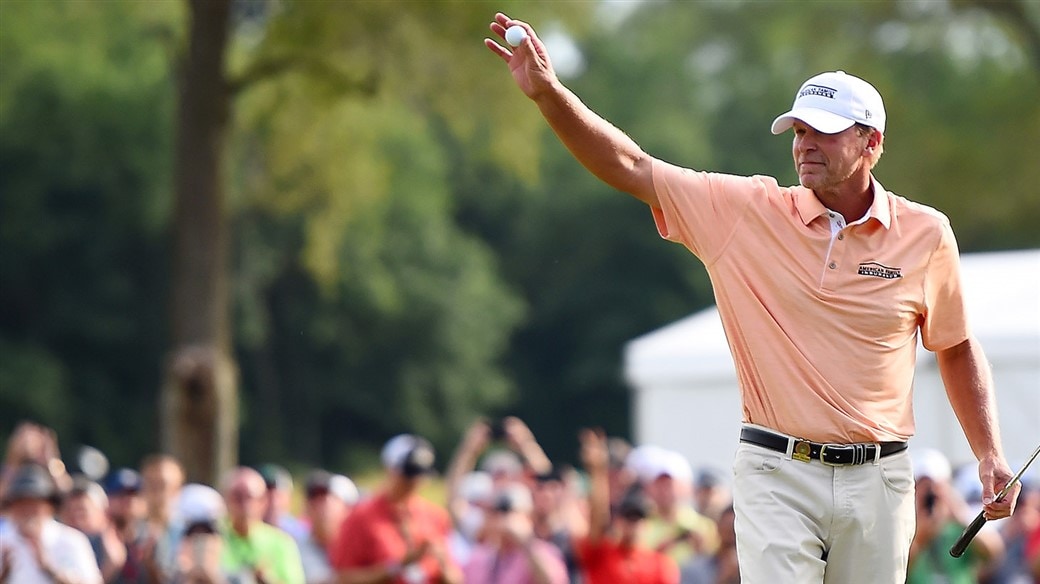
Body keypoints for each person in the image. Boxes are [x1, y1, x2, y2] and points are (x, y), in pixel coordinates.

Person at [485, 12, 1022, 583]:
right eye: (798, 131)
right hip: (776, 470)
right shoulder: (745, 212)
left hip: (880, 479)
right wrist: (549, 95)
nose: (805, 145)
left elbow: (956, 345)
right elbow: (631, 165)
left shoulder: (927, 233)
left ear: (871, 142)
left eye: (823, 131)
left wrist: (989, 452)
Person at [329, 433, 461, 584]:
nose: (414, 482)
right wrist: (397, 566)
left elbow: (456, 577)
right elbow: (342, 578)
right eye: (408, 475)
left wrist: (443, 565)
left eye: (420, 474)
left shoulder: (436, 517)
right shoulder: (361, 518)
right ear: (389, 469)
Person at [575, 429, 678, 584]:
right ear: (618, 521)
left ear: (647, 524)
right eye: (628, 518)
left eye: (637, 519)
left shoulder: (661, 564)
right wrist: (597, 472)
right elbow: (597, 516)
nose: (633, 525)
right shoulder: (602, 553)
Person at [906, 449, 1003, 584]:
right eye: (924, 485)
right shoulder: (906, 526)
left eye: (937, 486)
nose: (932, 493)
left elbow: (993, 552)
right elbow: (898, 566)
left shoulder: (959, 524)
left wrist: (959, 514)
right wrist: (921, 537)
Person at [0, 463, 104, 584]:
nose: (27, 511)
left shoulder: (71, 540)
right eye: (21, 505)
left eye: (33, 505)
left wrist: (50, 569)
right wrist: (4, 574)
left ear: (49, 507)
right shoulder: (3, 540)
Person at [461, 483, 570, 584]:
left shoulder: (544, 552)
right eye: (494, 511)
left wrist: (525, 544)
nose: (501, 518)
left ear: (528, 516)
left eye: (508, 511)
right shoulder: (479, 556)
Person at [219, 466, 305, 584]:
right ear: (226, 499)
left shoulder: (281, 543)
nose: (245, 505)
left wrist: (266, 580)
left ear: (263, 501)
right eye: (238, 497)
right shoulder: (215, 538)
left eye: (250, 497)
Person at [295, 469, 359, 584]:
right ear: (306, 507)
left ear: (345, 507)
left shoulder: (358, 545)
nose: (322, 505)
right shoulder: (296, 549)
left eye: (327, 497)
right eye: (314, 498)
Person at [61, 475, 128, 582]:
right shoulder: (58, 542)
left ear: (103, 511)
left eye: (81, 511)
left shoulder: (114, 542)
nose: (76, 518)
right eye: (70, 511)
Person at [679, 506, 739, 584]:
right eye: (728, 530)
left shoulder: (756, 568)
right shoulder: (695, 569)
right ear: (718, 528)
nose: (732, 538)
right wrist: (723, 579)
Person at [259, 463, 309, 541]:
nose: (274, 502)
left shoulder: (301, 534)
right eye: (268, 496)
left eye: (279, 496)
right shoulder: (243, 530)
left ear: (289, 499)